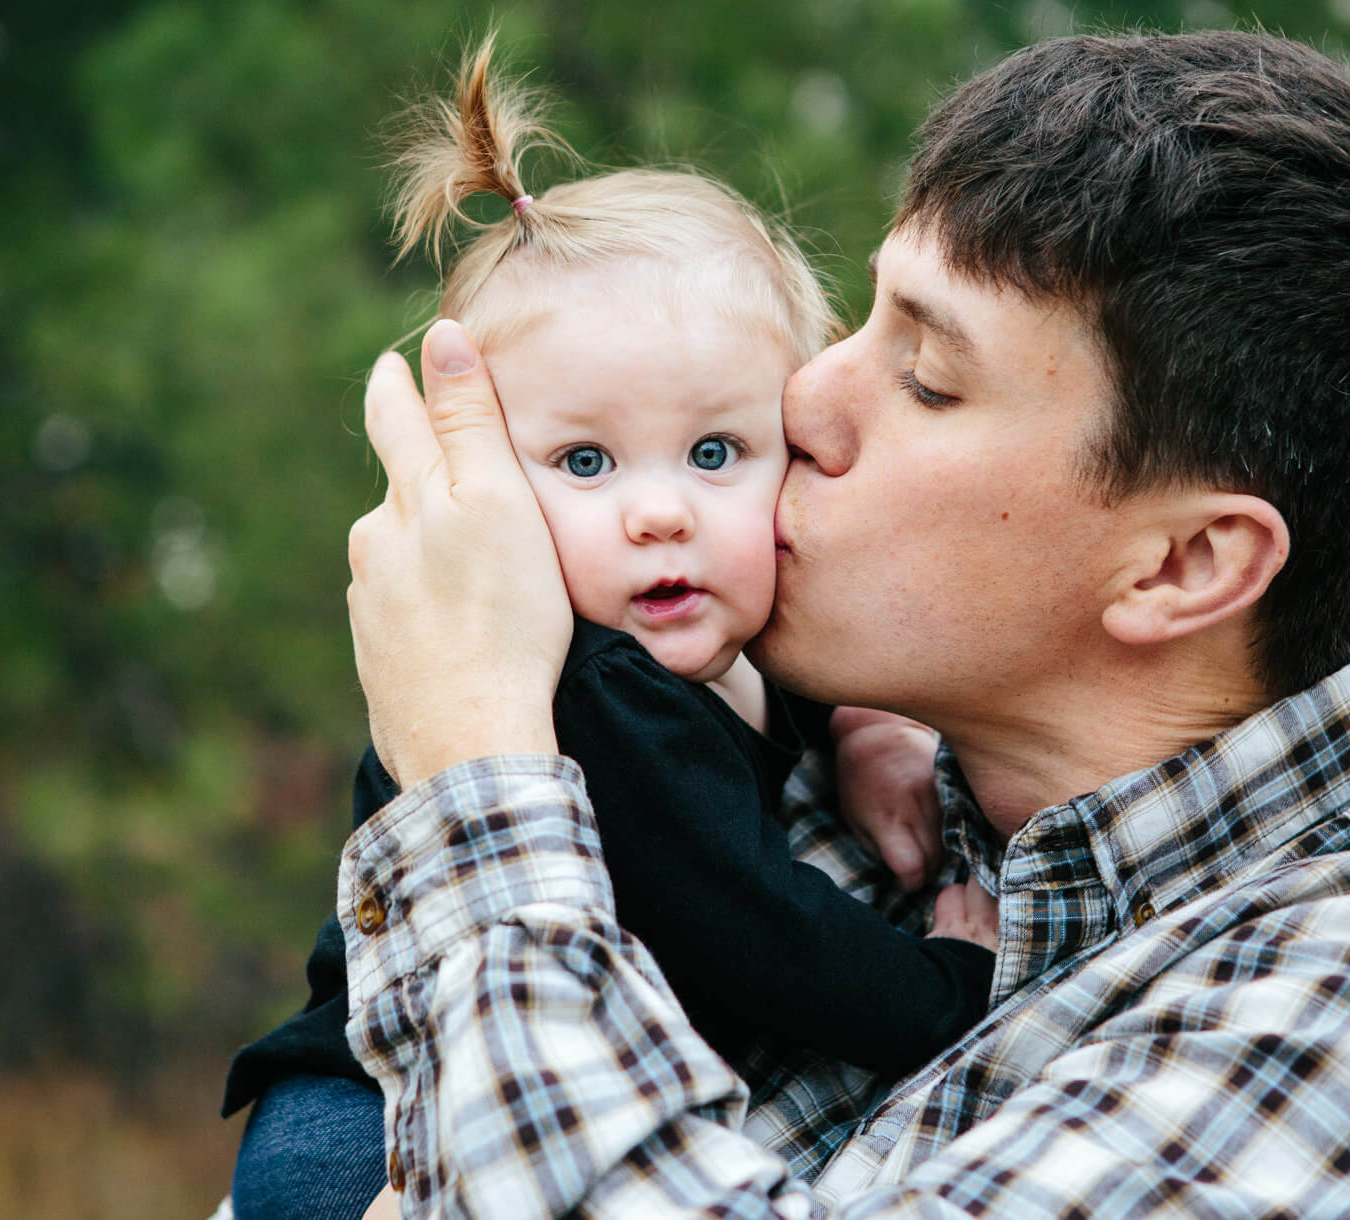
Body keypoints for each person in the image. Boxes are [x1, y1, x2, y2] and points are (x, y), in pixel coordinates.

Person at [340, 27, 1350, 1217]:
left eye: (928, 377)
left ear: (1179, 564)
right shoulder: (872, 772)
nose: (808, 398)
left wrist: (472, 760)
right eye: (864, 320)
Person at [224, 41, 999, 1220]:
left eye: (715, 451)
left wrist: (857, 723)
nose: (658, 509)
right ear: (480, 484)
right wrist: (947, 985)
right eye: (583, 460)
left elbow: (782, 691)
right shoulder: (594, 690)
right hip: (361, 1121)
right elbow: (762, 931)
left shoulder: (717, 634)